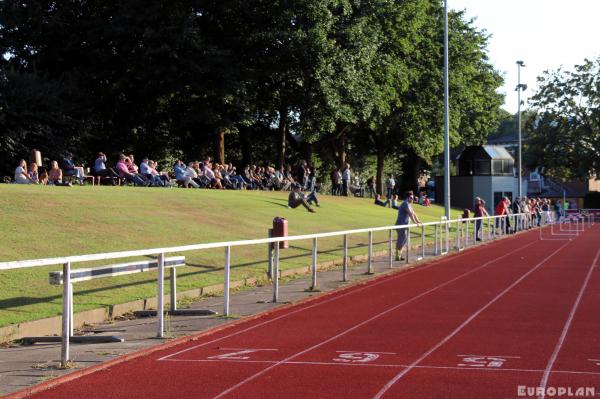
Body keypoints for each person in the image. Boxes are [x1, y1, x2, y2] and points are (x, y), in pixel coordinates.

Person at [395, 191, 421, 261]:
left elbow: (414, 214)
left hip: (405, 225)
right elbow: (410, 214)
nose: (412, 199)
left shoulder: (409, 205)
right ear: (407, 198)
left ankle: (399, 255)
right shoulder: (405, 204)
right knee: (401, 239)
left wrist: (418, 221)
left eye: (413, 198)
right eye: (411, 198)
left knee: (404, 240)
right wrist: (415, 222)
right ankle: (397, 255)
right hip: (400, 224)